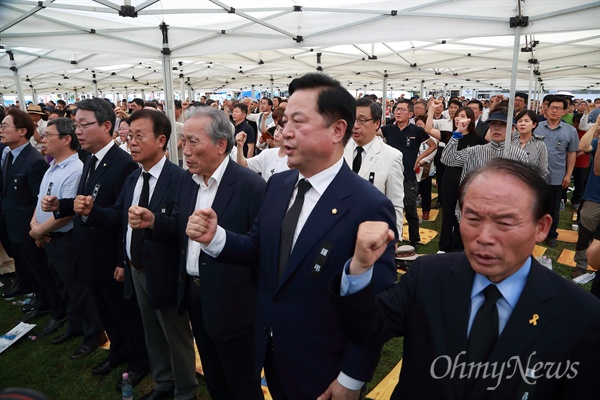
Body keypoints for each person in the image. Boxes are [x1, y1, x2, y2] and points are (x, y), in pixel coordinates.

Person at [187, 73, 398, 400]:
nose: (284, 132)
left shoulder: (368, 206)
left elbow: (375, 306)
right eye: (284, 121)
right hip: (270, 351)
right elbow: (258, 247)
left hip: (324, 367)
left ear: (337, 130)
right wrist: (217, 238)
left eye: (298, 122)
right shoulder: (279, 185)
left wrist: (352, 377)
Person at [330, 159, 600, 400]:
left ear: (541, 227)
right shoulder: (429, 275)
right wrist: (360, 268)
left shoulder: (580, 314)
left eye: (504, 223)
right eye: (472, 217)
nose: (484, 236)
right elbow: (366, 329)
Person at [129, 107, 266, 400]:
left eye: (193, 141)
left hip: (235, 303)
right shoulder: (186, 181)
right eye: (183, 141)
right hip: (194, 296)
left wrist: (218, 238)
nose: (185, 150)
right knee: (214, 376)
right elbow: (183, 228)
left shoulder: (250, 186)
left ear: (221, 145)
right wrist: (154, 221)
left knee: (241, 382)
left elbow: (260, 249)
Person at [73, 110, 198, 400]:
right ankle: (164, 383)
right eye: (129, 136)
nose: (131, 142)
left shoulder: (180, 179)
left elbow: (184, 227)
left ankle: (185, 391)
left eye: (139, 136)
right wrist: (92, 211)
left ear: (162, 139)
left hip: (165, 272)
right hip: (136, 268)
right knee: (152, 334)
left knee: (175, 336)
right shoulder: (134, 178)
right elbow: (117, 215)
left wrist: (154, 220)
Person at [41, 98, 148, 386]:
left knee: (125, 312)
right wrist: (61, 206)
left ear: (106, 126)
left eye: (84, 125)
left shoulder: (124, 164)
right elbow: (85, 202)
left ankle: (139, 360)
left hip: (110, 255)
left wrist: (120, 261)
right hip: (88, 250)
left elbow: (122, 217)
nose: (77, 131)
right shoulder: (89, 158)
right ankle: (118, 351)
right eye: (75, 125)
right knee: (105, 310)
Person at [29, 118, 103, 352]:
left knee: (78, 289)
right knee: (63, 286)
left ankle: (94, 335)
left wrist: (40, 230)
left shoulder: (75, 170)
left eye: (49, 135)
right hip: (50, 237)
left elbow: (67, 211)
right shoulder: (51, 166)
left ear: (66, 139)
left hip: (65, 239)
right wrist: (35, 225)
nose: (43, 139)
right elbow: (40, 201)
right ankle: (75, 325)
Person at [0, 109, 64, 325]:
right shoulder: (9, 154)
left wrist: (39, 230)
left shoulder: (33, 161)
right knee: (29, 269)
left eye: (5, 126)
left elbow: (40, 200)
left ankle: (55, 309)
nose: (1, 130)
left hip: (29, 229)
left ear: (22, 131)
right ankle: (41, 301)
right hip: (13, 226)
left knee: (41, 271)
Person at [344, 97, 404, 234]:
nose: (355, 125)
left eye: (362, 120)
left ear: (377, 124)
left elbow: (395, 203)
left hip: (371, 231)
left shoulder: (392, 156)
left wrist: (394, 237)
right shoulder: (339, 149)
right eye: (352, 119)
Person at [382, 99, 436, 248]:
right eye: (396, 109)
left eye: (402, 109)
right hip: (390, 175)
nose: (398, 112)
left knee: (410, 208)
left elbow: (433, 145)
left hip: (408, 176)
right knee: (390, 208)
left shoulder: (416, 131)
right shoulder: (387, 129)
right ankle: (391, 238)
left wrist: (419, 158)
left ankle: (414, 240)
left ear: (410, 113)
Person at [534, 95, 579, 247]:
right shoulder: (536, 127)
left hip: (557, 175)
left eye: (559, 108)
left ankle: (551, 234)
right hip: (536, 175)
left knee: (554, 207)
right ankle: (533, 231)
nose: (554, 111)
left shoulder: (570, 131)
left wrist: (568, 174)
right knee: (534, 204)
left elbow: (572, 153)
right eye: (552, 107)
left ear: (564, 111)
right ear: (546, 109)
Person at [513, 110, 549, 179]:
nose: (522, 124)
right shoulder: (510, 141)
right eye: (520, 121)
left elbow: (543, 170)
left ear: (534, 124)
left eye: (526, 121)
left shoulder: (540, 145)